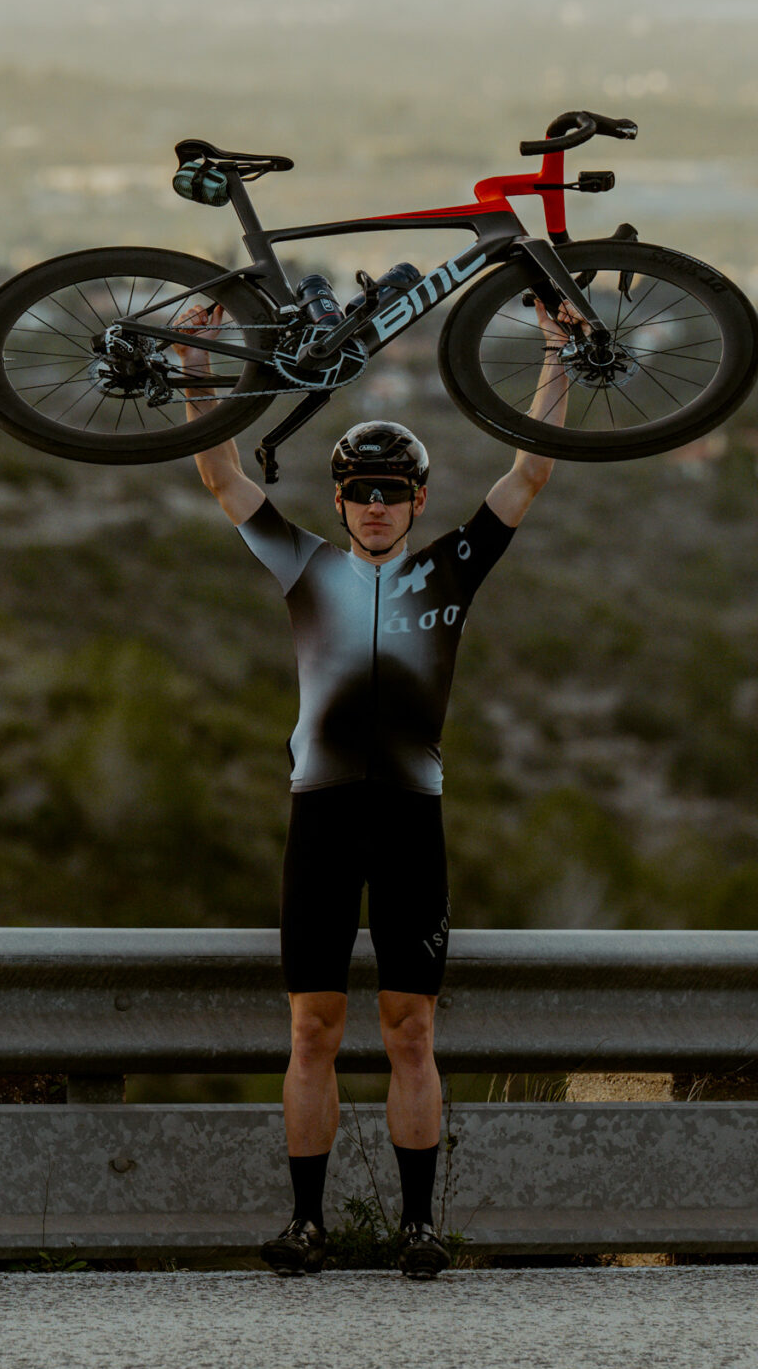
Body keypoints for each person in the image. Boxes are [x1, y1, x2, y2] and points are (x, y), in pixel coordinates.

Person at [178, 299, 571, 1281]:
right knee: (312, 1029)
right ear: (341, 499)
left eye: (394, 491)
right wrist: (193, 359)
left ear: (419, 499)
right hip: (320, 816)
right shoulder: (306, 568)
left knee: (411, 1030)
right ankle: (307, 1224)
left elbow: (529, 470)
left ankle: (418, 1226)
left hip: (408, 820)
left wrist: (558, 351)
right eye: (360, 491)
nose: (377, 506)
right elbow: (219, 472)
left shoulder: (453, 570)